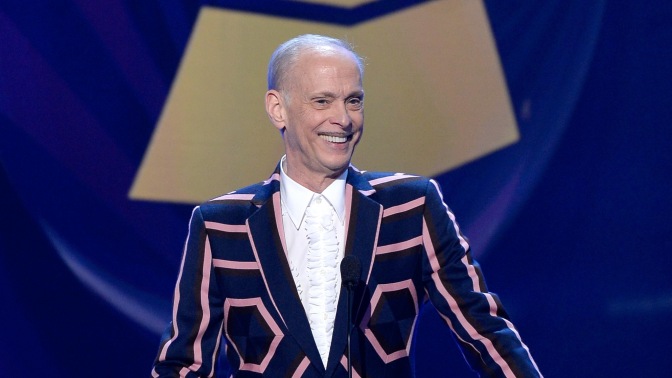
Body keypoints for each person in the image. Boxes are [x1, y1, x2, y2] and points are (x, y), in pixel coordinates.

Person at [152, 34, 542, 377]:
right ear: (278, 109)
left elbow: (485, 332)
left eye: (353, 101)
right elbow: (183, 365)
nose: (342, 118)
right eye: (322, 101)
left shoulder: (411, 206)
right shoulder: (221, 226)